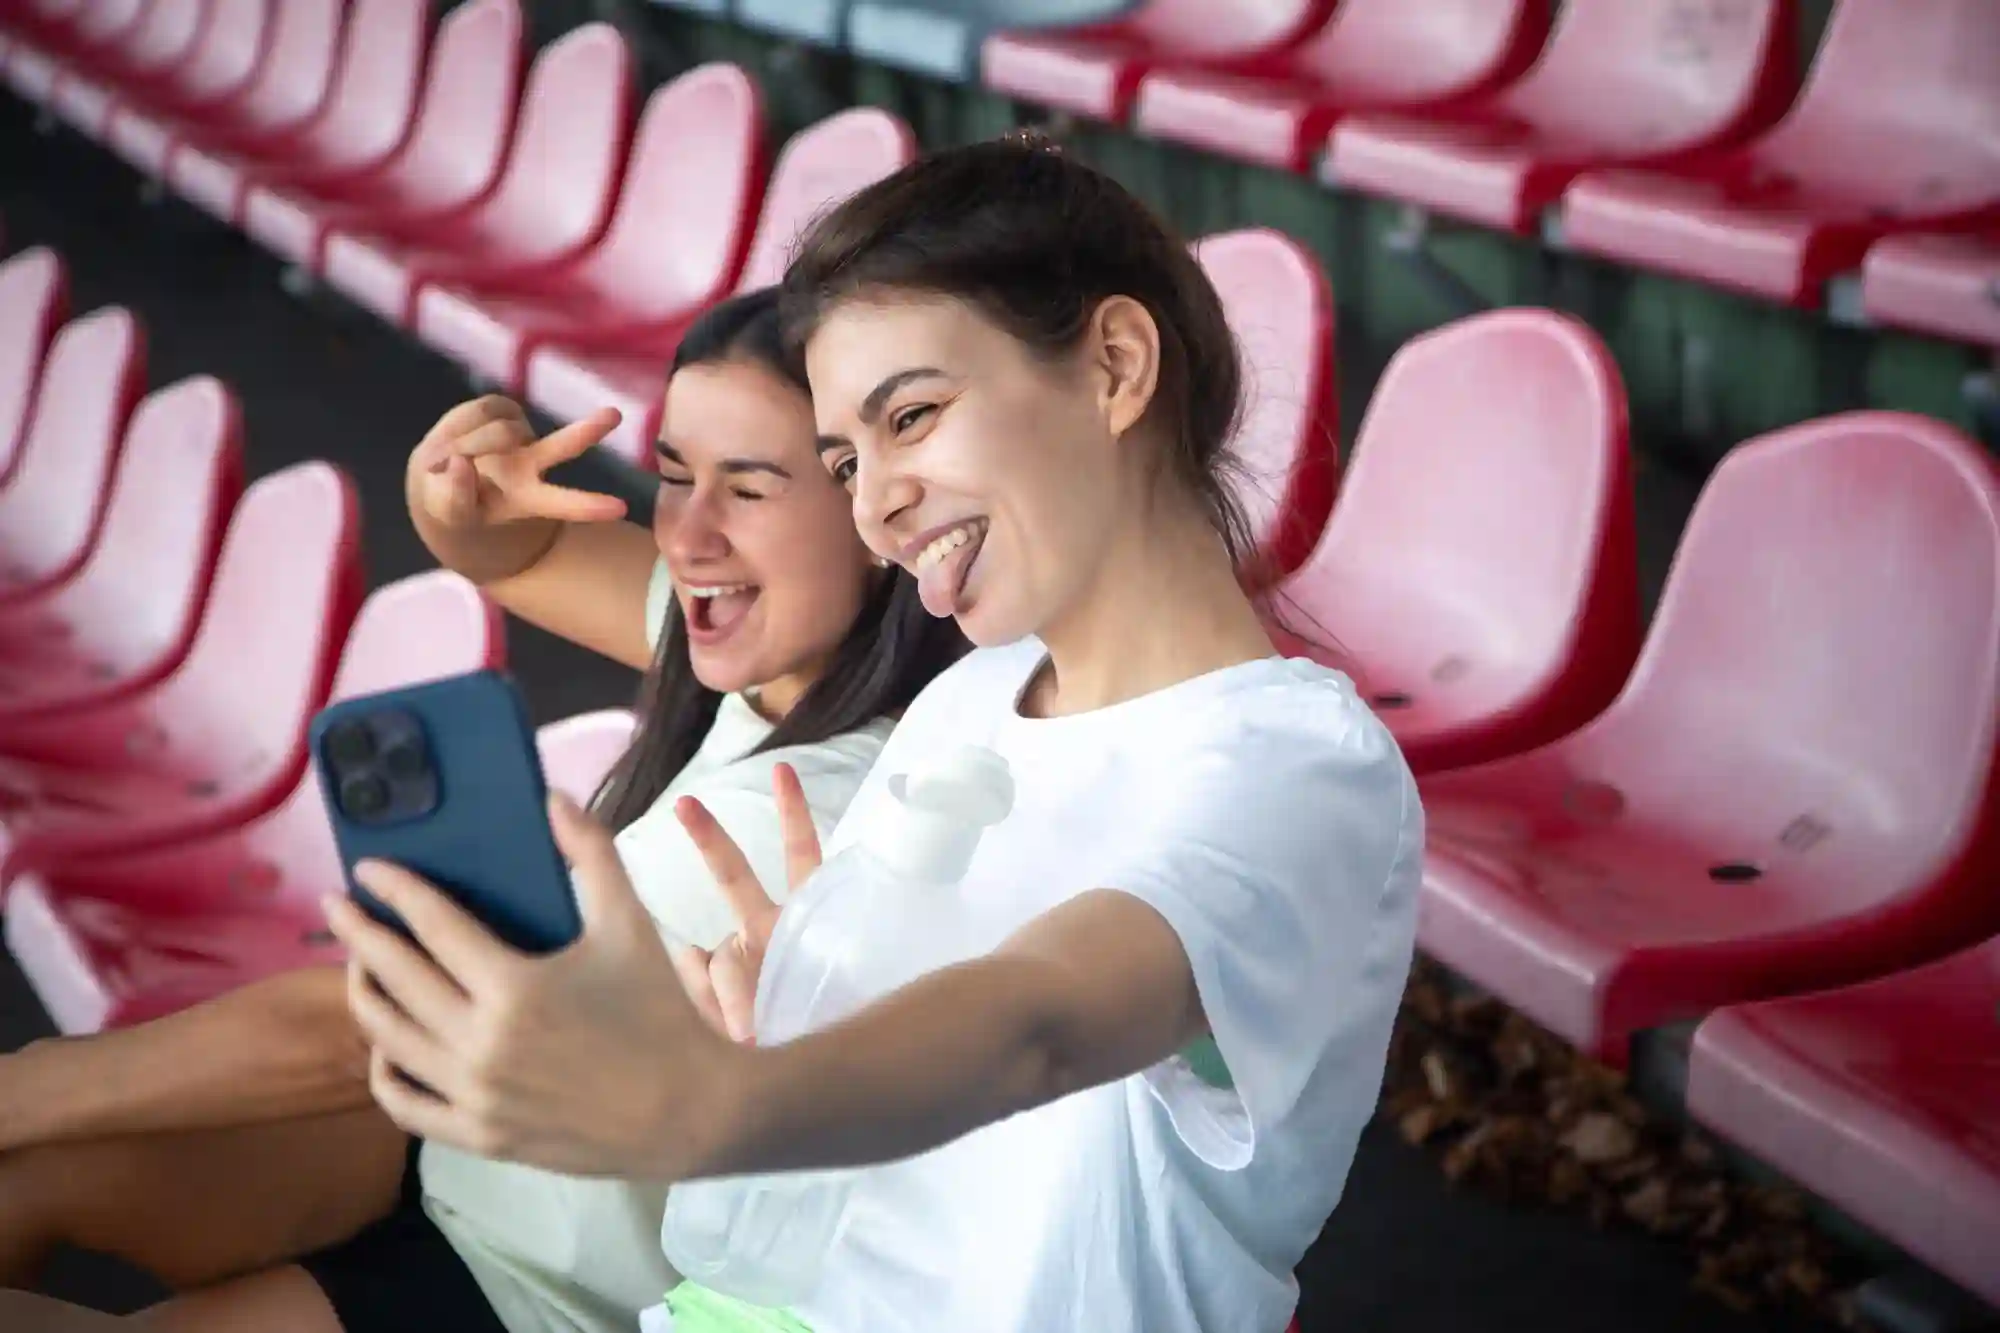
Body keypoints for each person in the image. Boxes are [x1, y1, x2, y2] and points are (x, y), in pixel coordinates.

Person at [309, 134, 1426, 1333]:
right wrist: (793, 1018)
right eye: (846, 458)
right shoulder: (969, 695)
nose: (875, 500)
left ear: (1112, 363)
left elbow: (1040, 1019)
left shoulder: (1304, 768)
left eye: (915, 415)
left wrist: (714, 1102)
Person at [0, 289, 964, 1332]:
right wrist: (452, 495)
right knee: (31, 1173)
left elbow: (375, 1028)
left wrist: (28, 1085)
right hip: (439, 1152)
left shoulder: (809, 805)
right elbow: (523, 552)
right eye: (675, 475)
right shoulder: (759, 655)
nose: (684, 537)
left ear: (875, 518)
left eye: (748, 489)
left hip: (521, 1284)